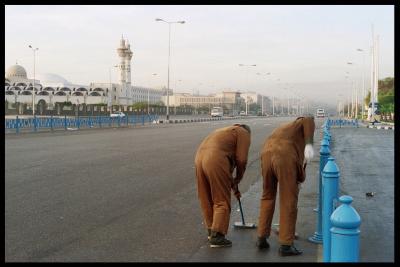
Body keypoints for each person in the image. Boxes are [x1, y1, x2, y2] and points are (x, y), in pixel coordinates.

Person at [256, 116, 315, 256]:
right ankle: (286, 245)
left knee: (267, 195)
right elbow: (308, 118)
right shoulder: (304, 122)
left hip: (266, 153)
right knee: (288, 199)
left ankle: (261, 237)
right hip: (283, 154)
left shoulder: (286, 128)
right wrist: (310, 144)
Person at [195, 123, 251, 248]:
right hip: (215, 159)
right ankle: (218, 236)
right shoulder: (244, 133)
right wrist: (239, 178)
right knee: (221, 199)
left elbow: (226, 169)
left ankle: (211, 230)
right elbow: (241, 160)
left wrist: (233, 184)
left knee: (206, 197)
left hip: (199, 158)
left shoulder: (226, 131)